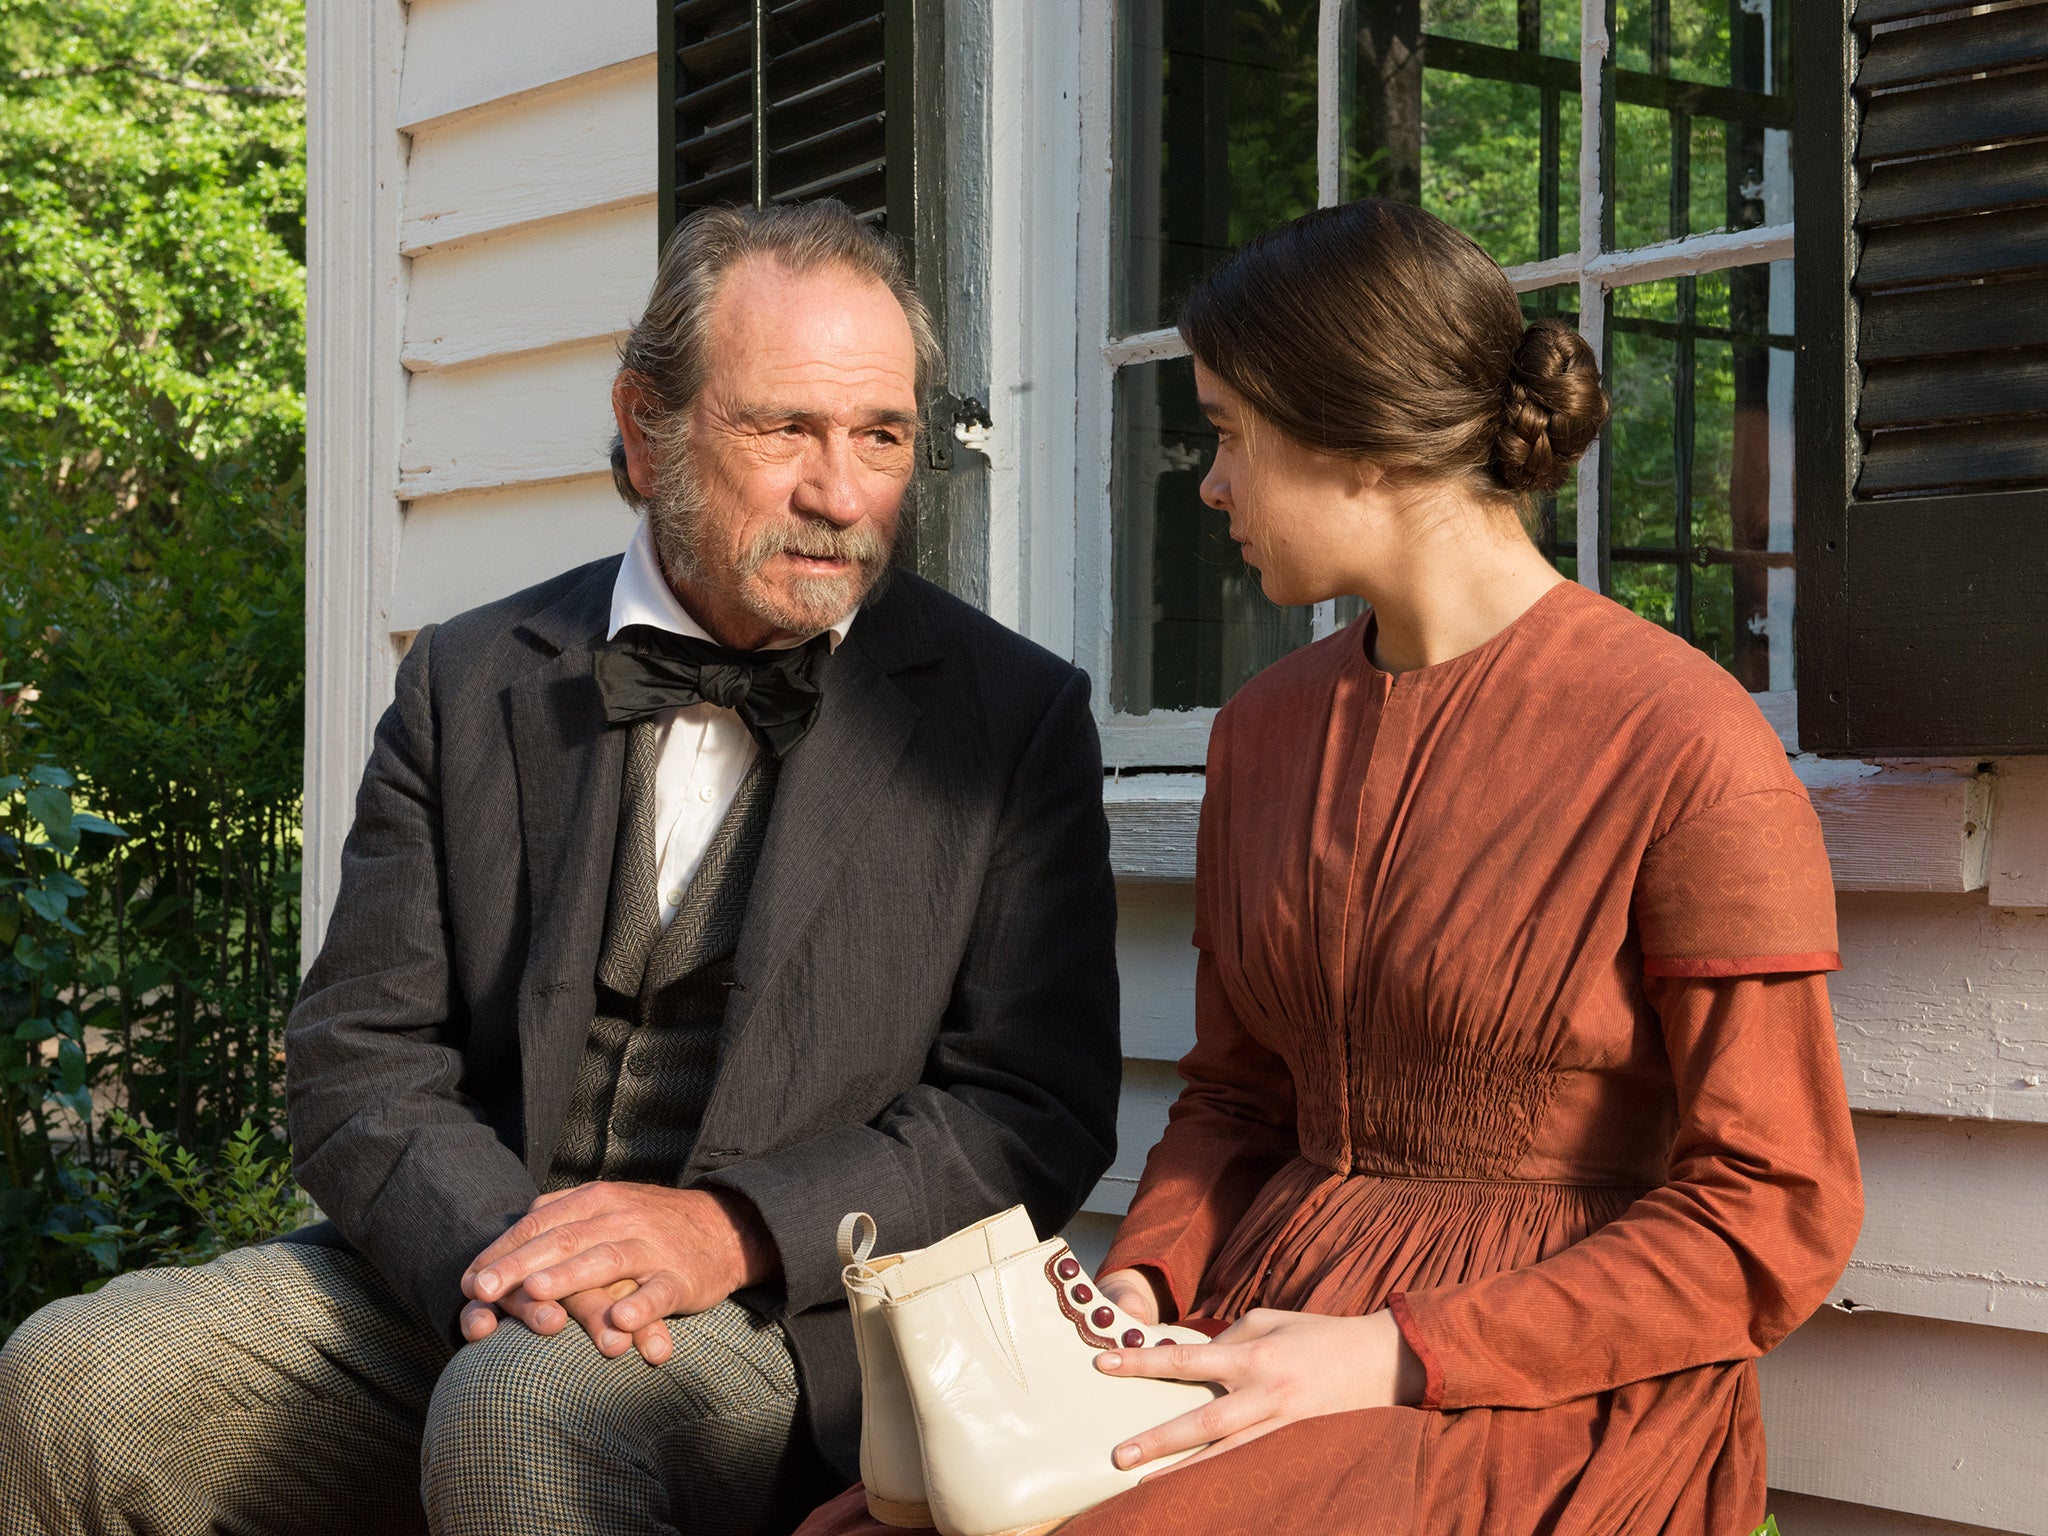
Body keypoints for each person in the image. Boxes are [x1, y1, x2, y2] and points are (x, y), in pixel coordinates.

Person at [0, 201, 1122, 1536]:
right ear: (647, 428)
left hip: (786, 1320)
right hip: (465, 1270)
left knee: (532, 1412)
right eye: (785, 430)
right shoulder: (471, 679)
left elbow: (1028, 1109)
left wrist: (731, 1231)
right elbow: (358, 1053)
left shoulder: (1008, 718)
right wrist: (516, 1264)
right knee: (69, 1376)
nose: (842, 493)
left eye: (880, 437)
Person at [798, 200, 1861, 1536]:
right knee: (873, 1523)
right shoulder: (1266, 731)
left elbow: (1772, 1209)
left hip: (1541, 1383)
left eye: (1231, 431)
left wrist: (1388, 1353)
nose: (1212, 483)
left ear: (1360, 447)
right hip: (1265, 1315)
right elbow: (1240, 1098)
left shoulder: (1679, 735)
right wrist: (1141, 1292)